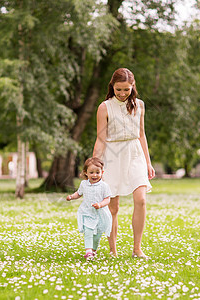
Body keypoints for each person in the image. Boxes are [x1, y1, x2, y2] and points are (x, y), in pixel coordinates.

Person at [93, 67, 155, 259]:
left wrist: (148, 162)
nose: (122, 93)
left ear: (132, 86)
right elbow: (101, 138)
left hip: (135, 153)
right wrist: (95, 163)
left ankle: (137, 249)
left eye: (126, 89)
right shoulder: (104, 107)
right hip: (112, 156)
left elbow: (142, 134)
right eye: (118, 89)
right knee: (113, 207)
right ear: (112, 86)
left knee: (141, 199)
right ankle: (113, 250)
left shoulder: (140, 105)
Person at [66, 157, 112, 260]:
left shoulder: (104, 186)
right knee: (88, 231)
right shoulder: (84, 184)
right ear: (86, 173)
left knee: (97, 235)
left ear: (102, 172)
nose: (94, 175)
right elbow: (79, 193)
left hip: (100, 214)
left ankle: (93, 250)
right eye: (91, 172)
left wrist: (100, 204)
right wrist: (72, 197)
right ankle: (88, 252)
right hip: (87, 212)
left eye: (97, 172)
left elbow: (107, 199)